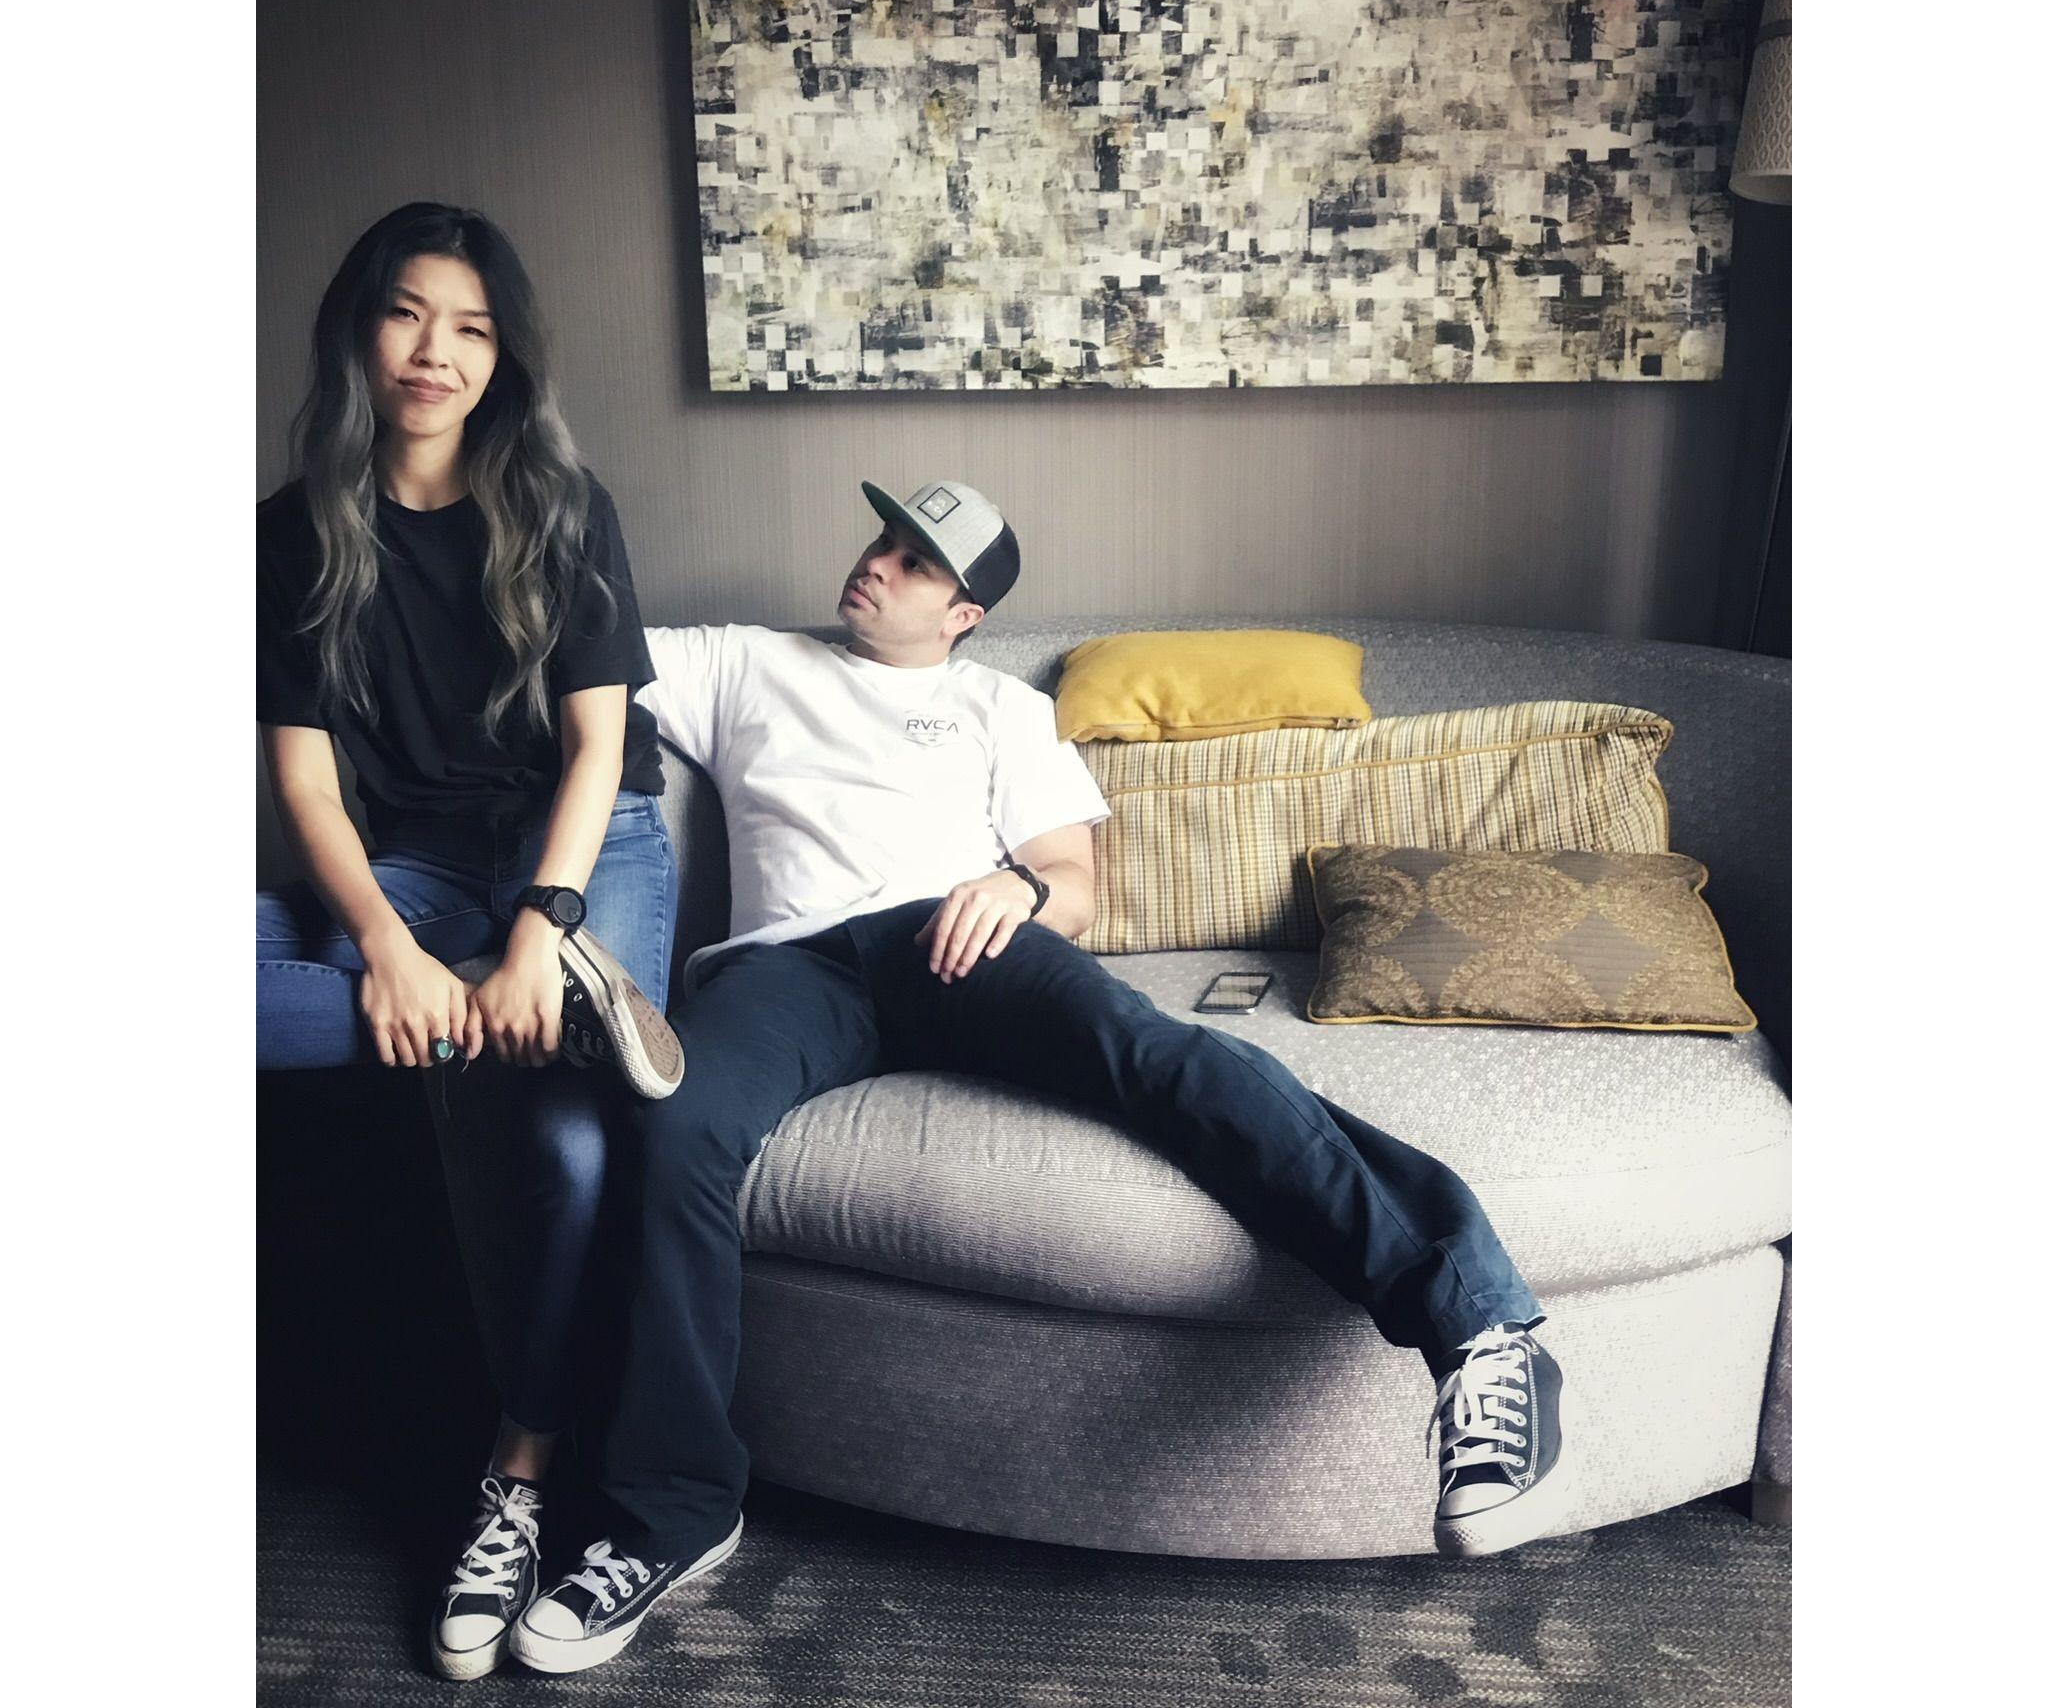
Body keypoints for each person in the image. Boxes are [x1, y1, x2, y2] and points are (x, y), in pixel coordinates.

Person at [504, 478, 1573, 1679]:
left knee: (1155, 1054)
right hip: (788, 966)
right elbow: (572, 656)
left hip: (959, 938)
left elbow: (1073, 881)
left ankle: (1477, 1327)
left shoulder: (1002, 708)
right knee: (672, 1121)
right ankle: (676, 1506)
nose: (878, 563)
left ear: (962, 613)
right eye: (883, 540)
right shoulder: (741, 662)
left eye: (916, 563)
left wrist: (1011, 887)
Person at [255, 201, 681, 1682]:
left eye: (472, 326)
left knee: (564, 1147)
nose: (435, 351)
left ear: (506, 356)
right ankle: (549, 1019)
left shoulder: (562, 504)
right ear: (357, 331)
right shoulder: (288, 533)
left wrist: (538, 930)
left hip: (582, 852)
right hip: (414, 870)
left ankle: (519, 1471)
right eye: (407, 313)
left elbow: (598, 749)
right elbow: (306, 783)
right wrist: (385, 944)